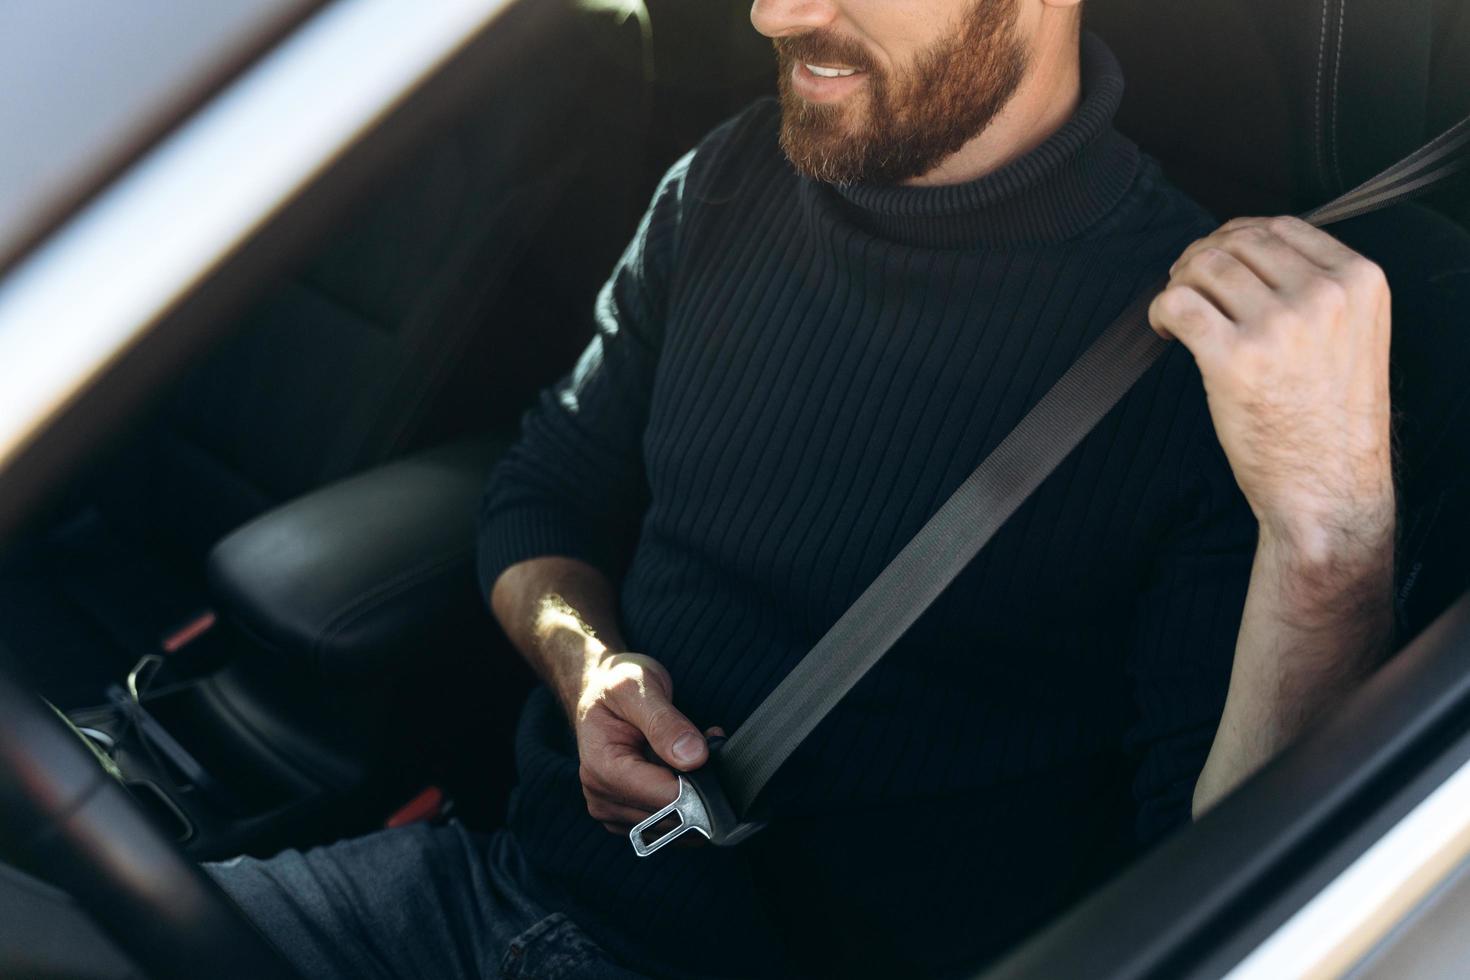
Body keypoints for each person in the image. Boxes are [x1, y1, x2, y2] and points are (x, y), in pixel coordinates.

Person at [209, 0, 1397, 977]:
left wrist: (1329, 545)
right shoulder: (727, 177)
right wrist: (586, 665)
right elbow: (545, 488)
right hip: (485, 895)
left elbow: (1224, 894)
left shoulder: (1223, 363)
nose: (775, 13)